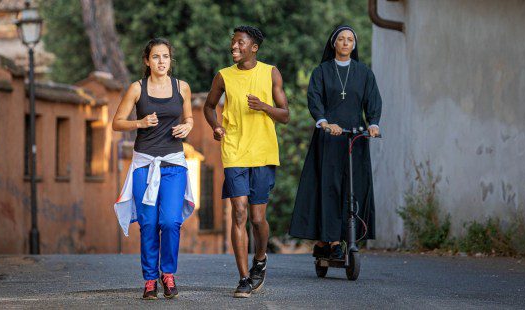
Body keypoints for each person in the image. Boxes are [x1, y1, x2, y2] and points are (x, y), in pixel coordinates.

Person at [203, 25, 290, 298]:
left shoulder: (270, 72)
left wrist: (265, 107)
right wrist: (216, 126)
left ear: (254, 47)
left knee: (257, 218)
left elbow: (285, 114)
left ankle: (260, 259)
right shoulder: (223, 76)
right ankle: (243, 278)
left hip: (263, 152)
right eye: (233, 43)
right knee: (239, 212)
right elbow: (209, 106)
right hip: (234, 151)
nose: (234, 47)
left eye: (240, 43)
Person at [289, 25, 382, 260]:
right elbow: (315, 98)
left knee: (354, 187)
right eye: (341, 39)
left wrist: (373, 123)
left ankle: (346, 237)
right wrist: (323, 122)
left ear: (354, 45)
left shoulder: (364, 73)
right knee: (329, 187)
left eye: (350, 39)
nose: (345, 43)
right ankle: (329, 240)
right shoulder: (321, 72)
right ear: (333, 43)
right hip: (329, 138)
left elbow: (373, 101)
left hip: (355, 138)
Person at [112, 38, 194, 300]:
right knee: (148, 223)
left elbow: (189, 117)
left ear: (171, 60)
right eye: (156, 57)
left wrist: (188, 126)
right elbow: (117, 123)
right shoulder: (137, 89)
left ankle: (167, 274)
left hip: (174, 163)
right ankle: (150, 280)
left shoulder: (182, 87)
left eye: (166, 57)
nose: (161, 62)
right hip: (144, 164)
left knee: (170, 222)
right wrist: (140, 122)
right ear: (147, 61)